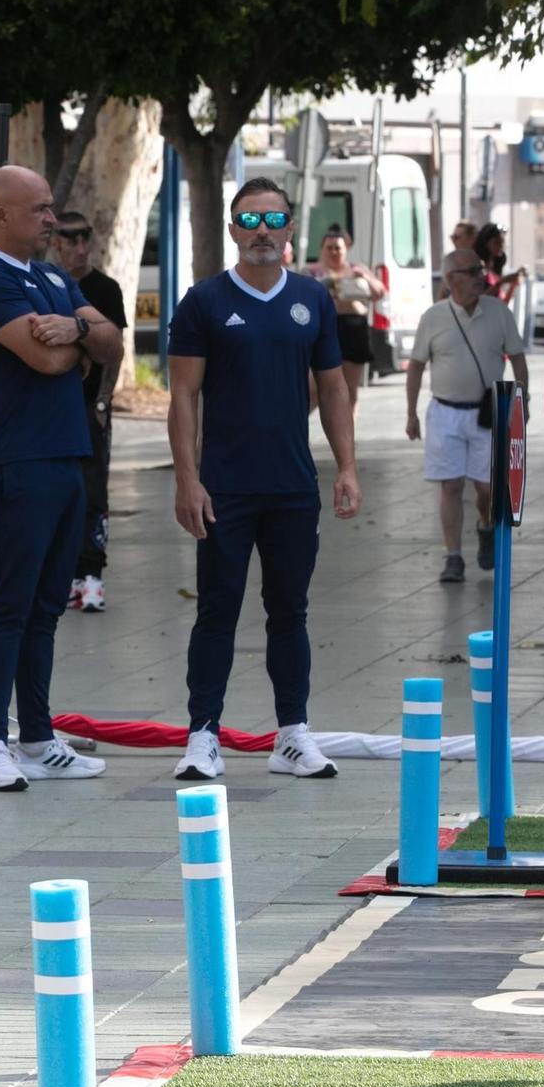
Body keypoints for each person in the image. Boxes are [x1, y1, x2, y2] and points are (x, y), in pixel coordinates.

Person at [166, 177, 361, 783]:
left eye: (273, 221)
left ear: (289, 229)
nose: (261, 233)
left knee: (290, 611)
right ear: (231, 229)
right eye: (249, 221)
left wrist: (347, 468)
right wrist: (187, 481)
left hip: (292, 487)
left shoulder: (312, 299)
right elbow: (183, 395)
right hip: (224, 487)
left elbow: (333, 388)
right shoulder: (203, 301)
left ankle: (293, 735)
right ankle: (203, 736)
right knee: (217, 611)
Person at [0, 165, 120, 791]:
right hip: (15, 461)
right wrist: (78, 344)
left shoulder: (49, 277)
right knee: (8, 605)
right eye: (41, 209)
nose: (53, 220)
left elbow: (111, 343)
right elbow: (44, 358)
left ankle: (39, 736)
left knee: (47, 606)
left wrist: (77, 329)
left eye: (52, 208)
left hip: (66, 456)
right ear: (1, 215)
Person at [406, 248, 530, 584]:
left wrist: (522, 402)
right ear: (451, 279)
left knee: (487, 488)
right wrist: (411, 413)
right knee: (450, 485)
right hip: (445, 412)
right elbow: (416, 366)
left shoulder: (498, 312)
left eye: (481, 269)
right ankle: (453, 556)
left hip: (487, 414)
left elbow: (518, 359)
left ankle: (486, 525)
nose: (481, 276)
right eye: (472, 270)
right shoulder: (433, 317)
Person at [50, 212, 127, 613]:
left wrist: (103, 399)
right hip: (53, 405)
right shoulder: (45, 283)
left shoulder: (105, 289)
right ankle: (66, 574)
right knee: (59, 491)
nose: (80, 248)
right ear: (56, 242)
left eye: (86, 239)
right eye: (71, 239)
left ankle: (92, 574)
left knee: (93, 489)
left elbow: (115, 351)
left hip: (89, 404)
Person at [305, 226, 385, 410]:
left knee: (348, 388)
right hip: (324, 328)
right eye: (329, 247)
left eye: (338, 248)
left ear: (346, 249)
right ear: (322, 249)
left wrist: (365, 277)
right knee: (313, 388)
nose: (334, 252)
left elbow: (379, 293)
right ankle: (300, 429)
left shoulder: (356, 269)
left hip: (353, 328)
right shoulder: (311, 272)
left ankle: (347, 436)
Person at [474, 223, 526, 306]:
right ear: (485, 244)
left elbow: (503, 304)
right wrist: (500, 283)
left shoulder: (494, 271)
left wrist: (512, 284)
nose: (501, 246)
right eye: (497, 242)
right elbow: (476, 302)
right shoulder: (477, 268)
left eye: (502, 242)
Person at [436, 221, 477, 301]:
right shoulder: (451, 262)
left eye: (457, 237)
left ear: (471, 239)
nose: (454, 241)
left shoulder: (478, 263)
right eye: (452, 237)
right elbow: (443, 292)